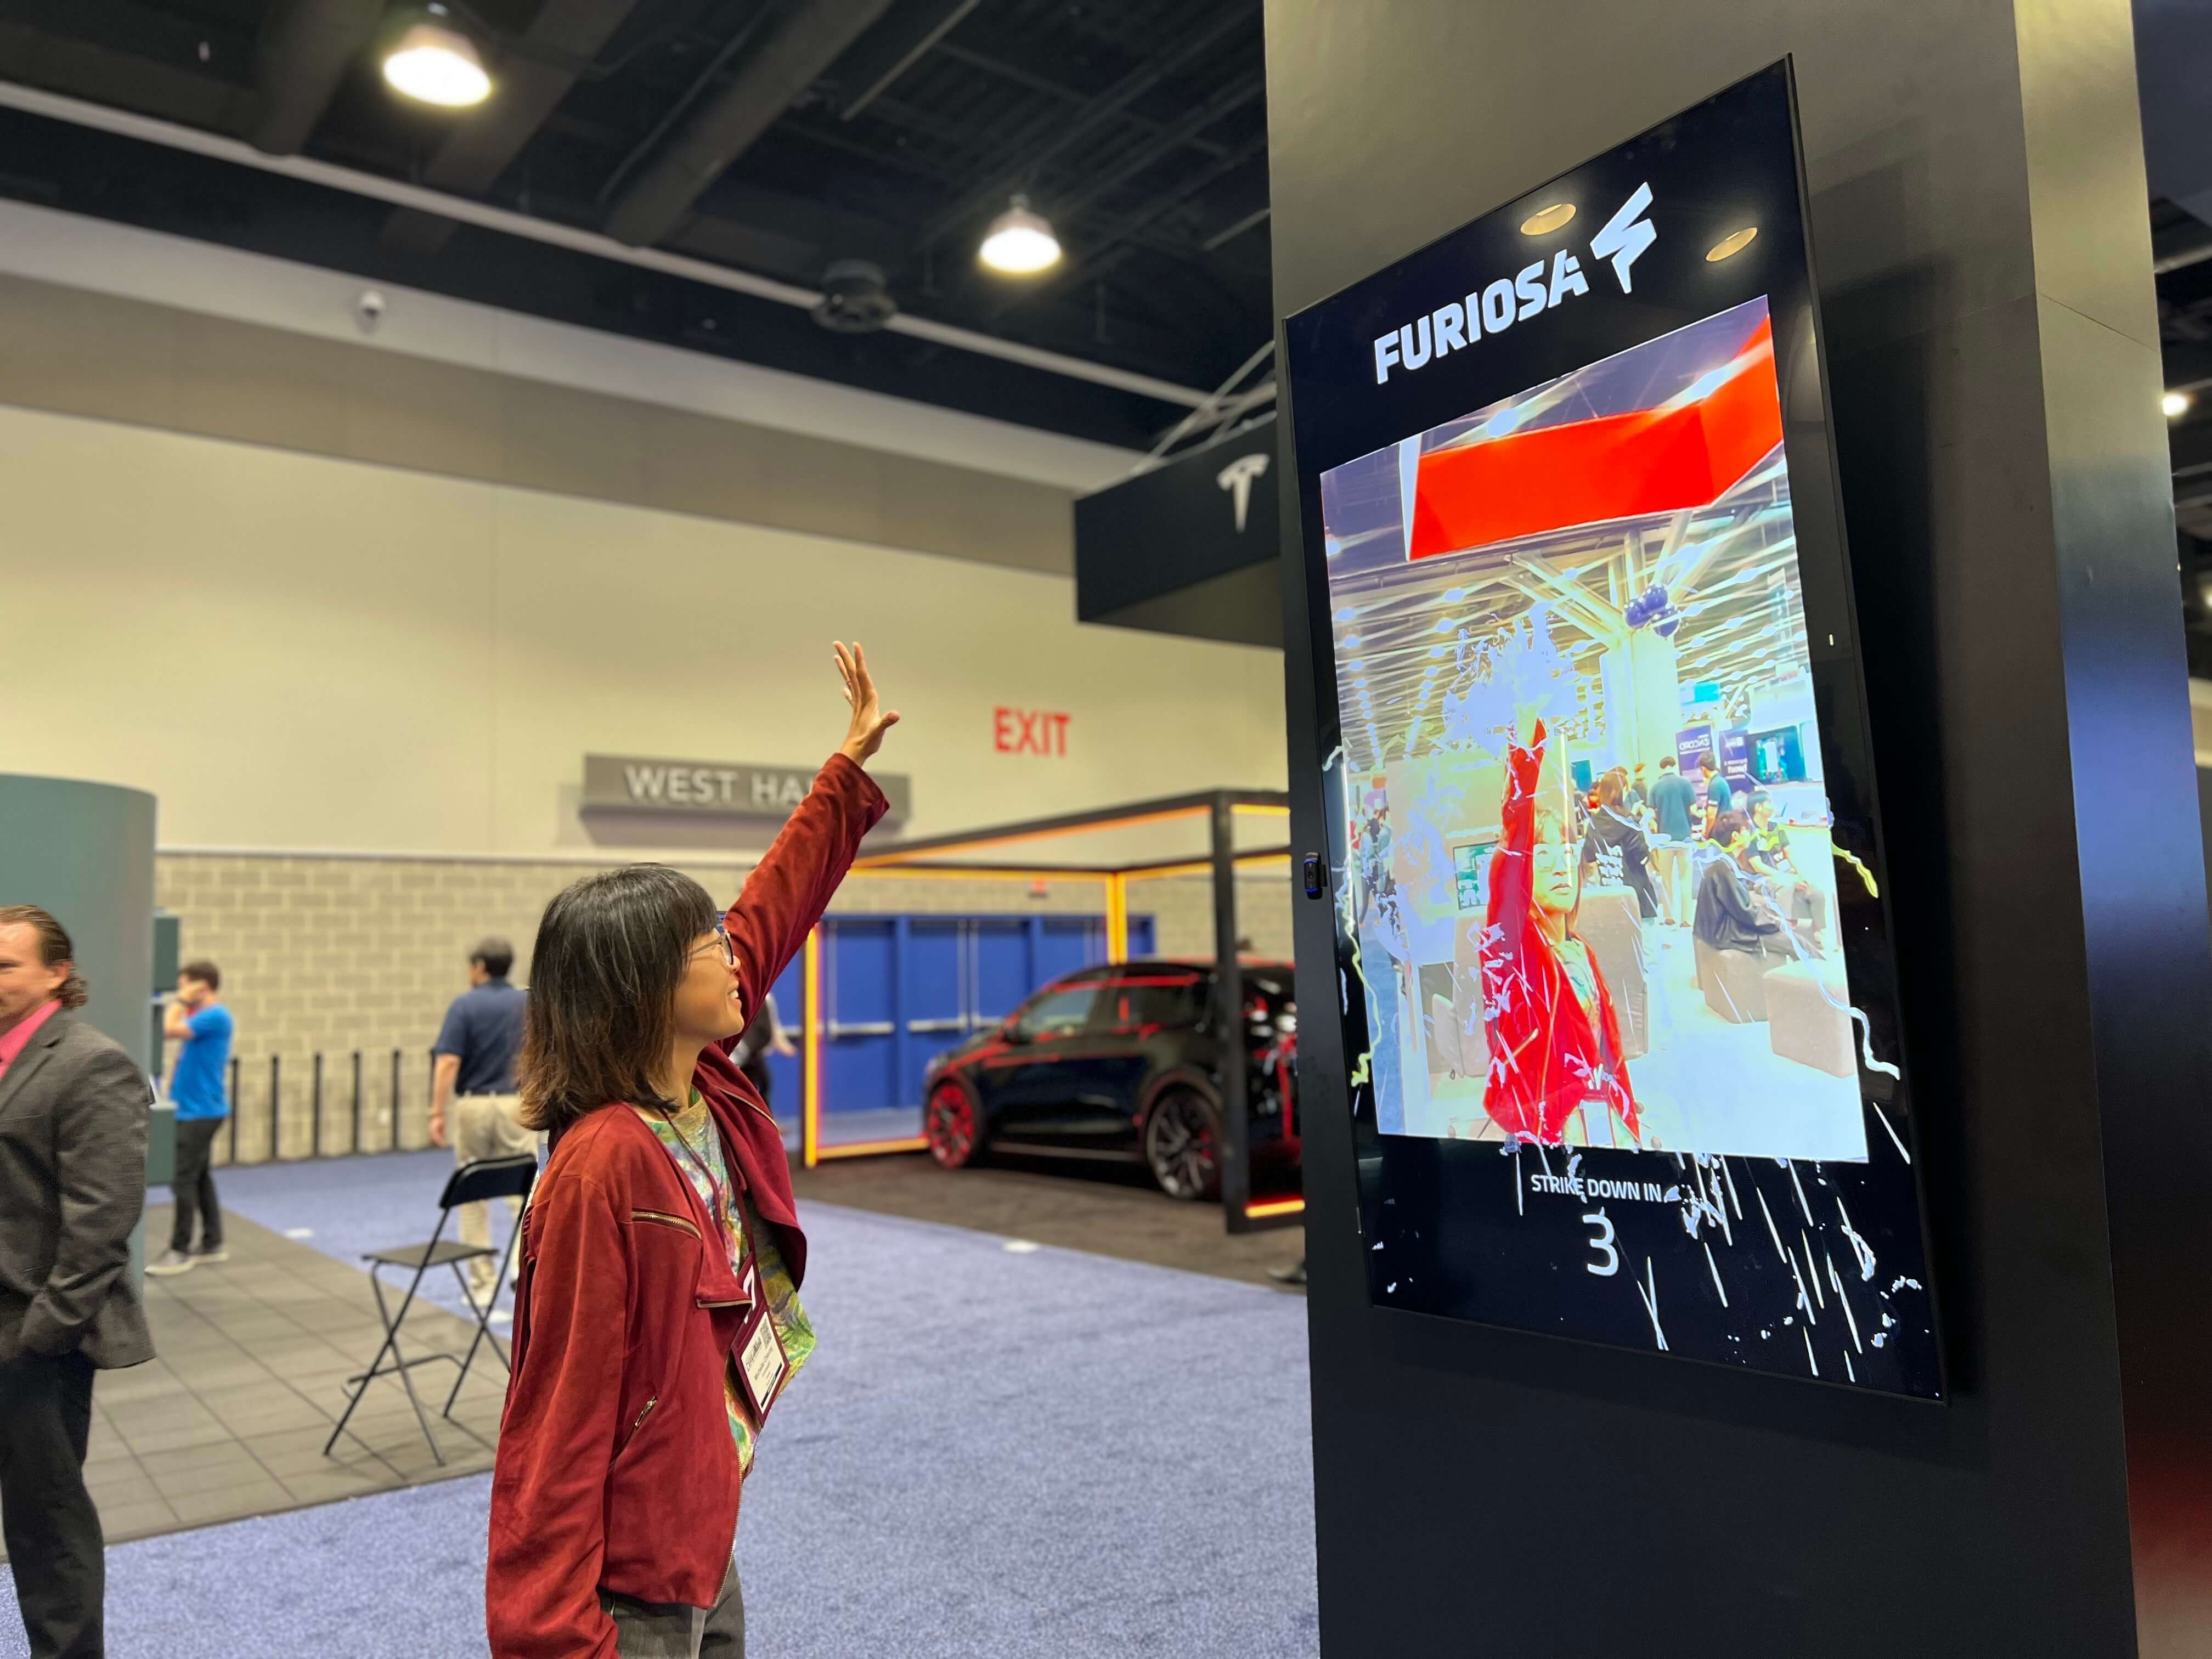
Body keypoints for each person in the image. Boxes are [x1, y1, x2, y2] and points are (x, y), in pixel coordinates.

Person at [487, 642, 898, 1659]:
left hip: (700, 1511)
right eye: (704, 944)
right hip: (629, 1577)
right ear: (645, 994)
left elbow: (776, 902)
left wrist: (841, 776)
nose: (731, 949)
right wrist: (553, 1631)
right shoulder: (602, 1165)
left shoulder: (698, 1072)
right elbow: (555, 1417)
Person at [0, 906, 153, 1659]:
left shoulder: (92, 1062)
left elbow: (103, 1220)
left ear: (57, 972)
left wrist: (43, 1336)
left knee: (46, 1528)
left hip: (32, 1337)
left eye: (5, 966)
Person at [1477, 716, 1641, 1148]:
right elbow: (1511, 854)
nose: (1560, 863)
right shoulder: (1516, 951)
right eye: (1544, 852)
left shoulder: (1579, 949)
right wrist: (1529, 741)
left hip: (1599, 1121)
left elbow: (1608, 1050)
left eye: (1568, 850)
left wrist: (1624, 1108)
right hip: (1545, 1132)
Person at [427, 938, 532, 1307]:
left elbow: (448, 1063)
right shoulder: (526, 1003)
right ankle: (523, 1269)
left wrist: (436, 1111)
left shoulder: (464, 1005)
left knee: (473, 1195)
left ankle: (482, 1285)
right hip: (517, 1104)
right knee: (524, 1189)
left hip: (474, 1105)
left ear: (479, 967)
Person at [150, 960, 233, 1276]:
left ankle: (180, 1249)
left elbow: (167, 1030)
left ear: (202, 986)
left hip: (201, 1112)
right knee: (199, 1176)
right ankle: (213, 1243)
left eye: (185, 984)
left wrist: (182, 1001)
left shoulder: (214, 1015)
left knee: (181, 1177)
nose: (181, 992)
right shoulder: (204, 1016)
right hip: (194, 1109)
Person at [1692, 812, 1785, 960]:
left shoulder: (1724, 864)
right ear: (1736, 836)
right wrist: (1777, 923)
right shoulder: (1725, 869)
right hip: (1726, 933)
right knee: (1796, 942)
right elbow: (1745, 910)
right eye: (1746, 830)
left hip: (1723, 929)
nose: (1750, 834)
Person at [1581, 770, 1661, 920]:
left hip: (1609, 896)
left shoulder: (1593, 824)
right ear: (1620, 792)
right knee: (1646, 941)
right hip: (1637, 896)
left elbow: (1590, 857)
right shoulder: (1631, 823)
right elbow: (1642, 857)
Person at [1647, 755, 1697, 926]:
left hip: (1664, 840)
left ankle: (1669, 917)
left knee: (1667, 879)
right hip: (1685, 838)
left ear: (1662, 768)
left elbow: (1651, 816)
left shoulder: (1654, 788)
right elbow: (1693, 810)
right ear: (1674, 765)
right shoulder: (1686, 784)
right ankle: (1686, 919)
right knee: (1685, 879)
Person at [729, 990, 796, 1110]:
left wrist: (785, 1046)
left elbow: (774, 1025)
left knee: (764, 1085)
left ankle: (767, 1121)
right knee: (747, 1090)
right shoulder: (740, 998)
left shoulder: (768, 999)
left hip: (755, 1054)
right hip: (739, 1056)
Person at [1699, 752, 1733, 825]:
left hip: (1721, 828)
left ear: (1703, 769)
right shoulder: (1721, 780)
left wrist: (1706, 833)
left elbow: (1711, 816)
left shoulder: (1715, 785)